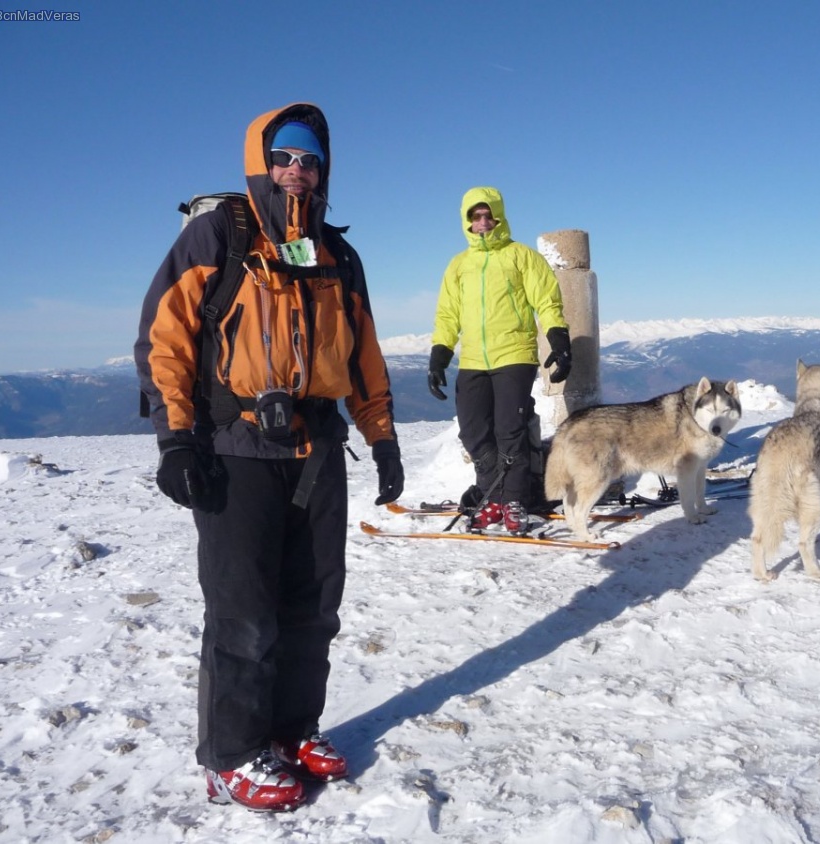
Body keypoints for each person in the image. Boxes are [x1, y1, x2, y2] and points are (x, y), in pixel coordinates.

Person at [135, 104, 403, 811]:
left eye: (310, 161)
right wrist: (175, 438)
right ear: (260, 163)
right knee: (244, 612)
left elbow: (366, 357)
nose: (297, 172)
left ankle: (290, 731)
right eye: (284, 158)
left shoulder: (338, 257)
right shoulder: (217, 235)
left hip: (318, 448)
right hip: (236, 448)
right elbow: (167, 341)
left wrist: (382, 437)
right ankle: (231, 755)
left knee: (313, 607)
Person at [428, 187, 571, 535]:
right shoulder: (459, 265)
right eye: (474, 216)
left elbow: (547, 301)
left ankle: (515, 500)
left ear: (498, 216)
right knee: (474, 431)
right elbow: (448, 314)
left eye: (487, 215)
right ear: (467, 220)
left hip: (515, 354)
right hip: (474, 358)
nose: (482, 222)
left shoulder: (520, 257)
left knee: (510, 430)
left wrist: (559, 340)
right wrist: (439, 355)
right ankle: (492, 493)